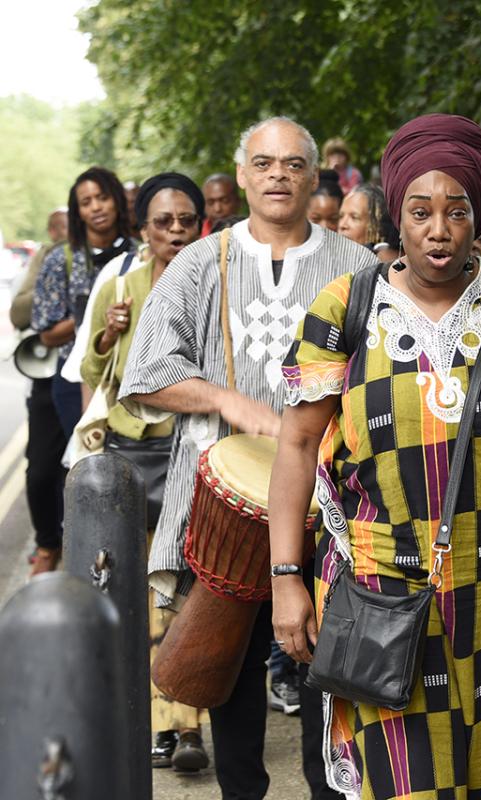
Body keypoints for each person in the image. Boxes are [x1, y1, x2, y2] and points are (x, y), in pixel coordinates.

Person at [270, 113, 481, 798]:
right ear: (398, 217)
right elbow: (297, 444)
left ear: (479, 218)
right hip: (386, 603)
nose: (439, 229)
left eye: (456, 211)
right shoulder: (348, 308)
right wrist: (285, 578)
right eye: (421, 212)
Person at [119, 117, 376, 800]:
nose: (277, 176)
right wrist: (230, 403)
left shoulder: (356, 268)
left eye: (293, 164)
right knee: (228, 664)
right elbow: (144, 372)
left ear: (314, 174)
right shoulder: (203, 262)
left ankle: (330, 788)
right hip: (223, 495)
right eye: (263, 163)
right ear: (241, 176)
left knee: (325, 657)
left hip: (328, 501)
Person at [80, 172, 210, 773]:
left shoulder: (216, 281)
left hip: (187, 455)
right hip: (130, 463)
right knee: (133, 593)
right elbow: (90, 366)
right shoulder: (123, 286)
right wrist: (110, 333)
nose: (177, 231)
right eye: (164, 222)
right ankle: (156, 725)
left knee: (180, 595)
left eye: (187, 220)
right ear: (144, 228)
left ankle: (185, 728)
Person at [29, 167, 136, 572]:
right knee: (75, 469)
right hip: (73, 380)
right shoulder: (62, 260)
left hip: (125, 379)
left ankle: (118, 556)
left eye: (101, 198)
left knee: (120, 469)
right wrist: (93, 310)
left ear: (116, 200)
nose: (96, 208)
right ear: (78, 211)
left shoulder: (139, 253)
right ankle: (67, 550)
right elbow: (47, 333)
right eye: (86, 202)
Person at [9, 208, 69, 573]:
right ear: (51, 230)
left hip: (87, 376)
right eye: (61, 230)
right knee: (40, 472)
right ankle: (47, 544)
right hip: (47, 377)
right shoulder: (48, 257)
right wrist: (54, 283)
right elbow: (18, 314)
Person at [336, 182, 400, 263]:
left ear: (377, 226)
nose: (342, 225)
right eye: (340, 217)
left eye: (354, 217)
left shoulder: (386, 268)